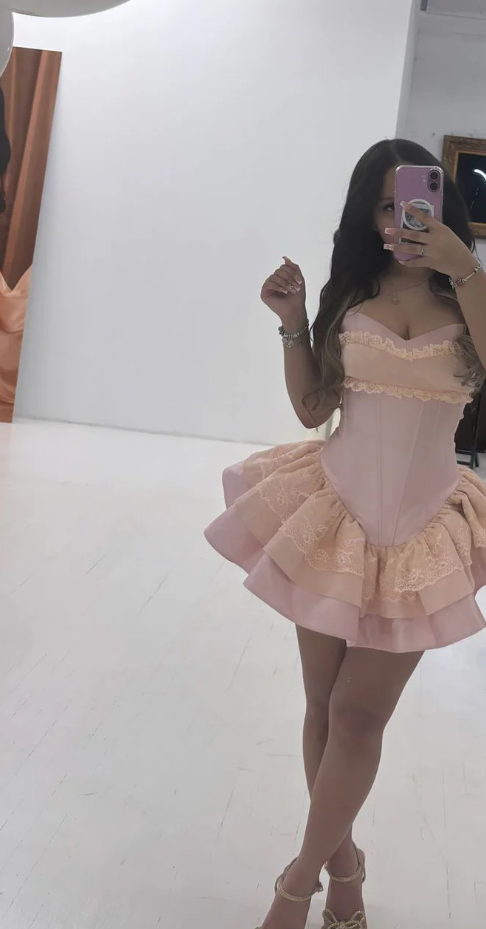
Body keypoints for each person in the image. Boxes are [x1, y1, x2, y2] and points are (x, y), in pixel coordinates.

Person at [204, 139, 486, 929]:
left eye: (416, 202)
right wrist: (295, 322)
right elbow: (311, 408)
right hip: (335, 515)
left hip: (426, 528)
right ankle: (346, 866)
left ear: (443, 205)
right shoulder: (351, 292)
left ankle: (296, 887)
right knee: (325, 709)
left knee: (360, 716)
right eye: (386, 206)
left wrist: (466, 267)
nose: (401, 220)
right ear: (368, 215)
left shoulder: (471, 293)